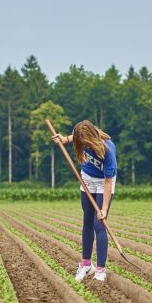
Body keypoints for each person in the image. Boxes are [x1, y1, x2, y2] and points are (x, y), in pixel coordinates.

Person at [52, 120, 117, 282]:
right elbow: (76, 136)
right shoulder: (80, 138)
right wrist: (64, 139)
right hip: (87, 180)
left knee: (99, 223)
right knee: (87, 220)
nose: (82, 146)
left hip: (104, 183)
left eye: (84, 143)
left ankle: (101, 270)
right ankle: (86, 264)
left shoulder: (108, 150)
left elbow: (108, 181)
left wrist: (104, 208)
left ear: (92, 138)